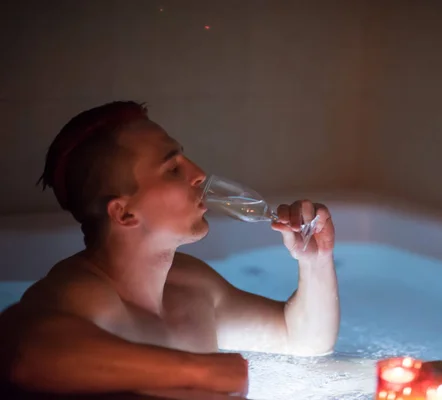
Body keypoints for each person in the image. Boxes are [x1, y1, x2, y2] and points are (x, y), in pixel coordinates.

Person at [0, 101, 340, 398]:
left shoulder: (191, 283)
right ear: (124, 213)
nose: (199, 174)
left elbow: (303, 340)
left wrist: (315, 261)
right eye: (173, 168)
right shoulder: (85, 295)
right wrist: (205, 373)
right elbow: (22, 354)